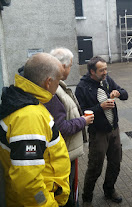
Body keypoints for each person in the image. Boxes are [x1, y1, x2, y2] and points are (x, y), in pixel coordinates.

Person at [0, 53, 71, 206]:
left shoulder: (26, 100)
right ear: (48, 82)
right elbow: (27, 184)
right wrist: (50, 204)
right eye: (58, 81)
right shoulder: (29, 117)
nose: (58, 87)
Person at [75, 56, 128, 205]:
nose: (105, 72)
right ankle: (87, 198)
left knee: (115, 163)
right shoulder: (83, 87)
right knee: (95, 167)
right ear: (92, 71)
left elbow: (125, 94)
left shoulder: (107, 80)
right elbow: (81, 113)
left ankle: (109, 190)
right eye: (102, 70)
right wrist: (100, 107)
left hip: (114, 129)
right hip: (98, 133)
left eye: (106, 69)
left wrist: (118, 93)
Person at [44, 48, 94, 207]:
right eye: (71, 65)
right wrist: (83, 122)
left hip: (67, 151)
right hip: (63, 154)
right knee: (68, 193)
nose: (71, 68)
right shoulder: (53, 90)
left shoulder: (57, 86)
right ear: (63, 66)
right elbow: (60, 127)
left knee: (71, 189)